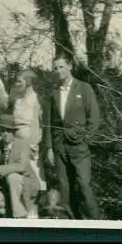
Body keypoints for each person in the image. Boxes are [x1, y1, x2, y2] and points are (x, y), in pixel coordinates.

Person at [43, 55, 102, 220]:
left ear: (70, 66)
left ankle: (97, 223)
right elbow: (48, 123)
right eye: (55, 68)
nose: (58, 71)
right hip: (59, 144)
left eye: (61, 67)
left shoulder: (84, 88)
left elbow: (94, 117)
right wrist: (48, 147)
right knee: (64, 186)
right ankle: (71, 222)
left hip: (78, 144)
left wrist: (86, 138)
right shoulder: (53, 92)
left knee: (84, 184)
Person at [0, 114, 40, 219]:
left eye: (7, 131)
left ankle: (20, 216)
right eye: (1, 130)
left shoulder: (23, 145)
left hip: (26, 185)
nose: (3, 134)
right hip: (6, 188)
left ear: (13, 132)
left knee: (12, 177)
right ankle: (12, 212)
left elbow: (22, 166)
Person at [11, 69, 47, 217]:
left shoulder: (36, 100)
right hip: (16, 143)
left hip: (31, 145)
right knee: (17, 178)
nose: (17, 84)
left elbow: (39, 125)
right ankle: (20, 212)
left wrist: (32, 145)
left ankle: (33, 214)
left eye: (20, 81)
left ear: (29, 82)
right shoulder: (18, 101)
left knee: (33, 180)